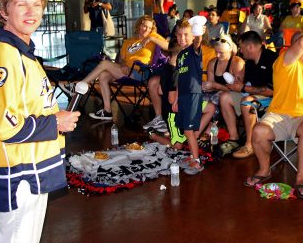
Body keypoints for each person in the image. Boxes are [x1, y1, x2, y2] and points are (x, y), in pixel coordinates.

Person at [0, 0, 80, 242]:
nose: (31, 11)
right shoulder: (5, 57)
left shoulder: (24, 54)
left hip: (33, 166)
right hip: (19, 171)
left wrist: (55, 118)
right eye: (21, 4)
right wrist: (56, 123)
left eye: (36, 4)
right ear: (3, 11)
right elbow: (5, 125)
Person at [244, 16, 303, 198]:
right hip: (278, 114)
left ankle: (301, 178)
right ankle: (264, 170)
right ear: (301, 46)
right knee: (258, 131)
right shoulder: (285, 61)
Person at [61, 16, 168, 122]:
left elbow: (168, 46)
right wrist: (123, 65)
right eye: (144, 26)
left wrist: (151, 38)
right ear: (139, 25)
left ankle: (78, 85)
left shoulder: (153, 38)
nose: (147, 29)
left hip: (140, 72)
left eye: (149, 28)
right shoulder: (128, 42)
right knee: (103, 75)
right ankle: (107, 110)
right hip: (126, 71)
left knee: (104, 64)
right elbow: (121, 60)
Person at [219, 31, 277, 159]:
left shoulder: (272, 59)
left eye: (241, 47)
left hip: (272, 97)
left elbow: (272, 90)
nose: (240, 50)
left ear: (250, 46)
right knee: (224, 97)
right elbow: (248, 85)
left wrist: (244, 87)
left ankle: (250, 144)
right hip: (254, 94)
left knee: (247, 102)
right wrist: (239, 84)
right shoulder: (249, 62)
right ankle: (234, 138)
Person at [174, 16, 208, 175]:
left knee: (188, 130)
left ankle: (196, 162)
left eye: (186, 34)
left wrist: (198, 32)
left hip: (193, 93)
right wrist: (176, 99)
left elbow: (197, 42)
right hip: (183, 95)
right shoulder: (180, 55)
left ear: (193, 35)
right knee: (190, 130)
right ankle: (193, 155)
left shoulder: (193, 50)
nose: (182, 38)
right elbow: (179, 79)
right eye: (179, 35)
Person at [148, 38, 186, 150]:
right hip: (172, 114)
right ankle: (153, 135)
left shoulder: (166, 67)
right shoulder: (176, 73)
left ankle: (173, 132)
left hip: (168, 110)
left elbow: (159, 91)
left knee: (209, 107)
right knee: (178, 146)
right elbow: (172, 100)